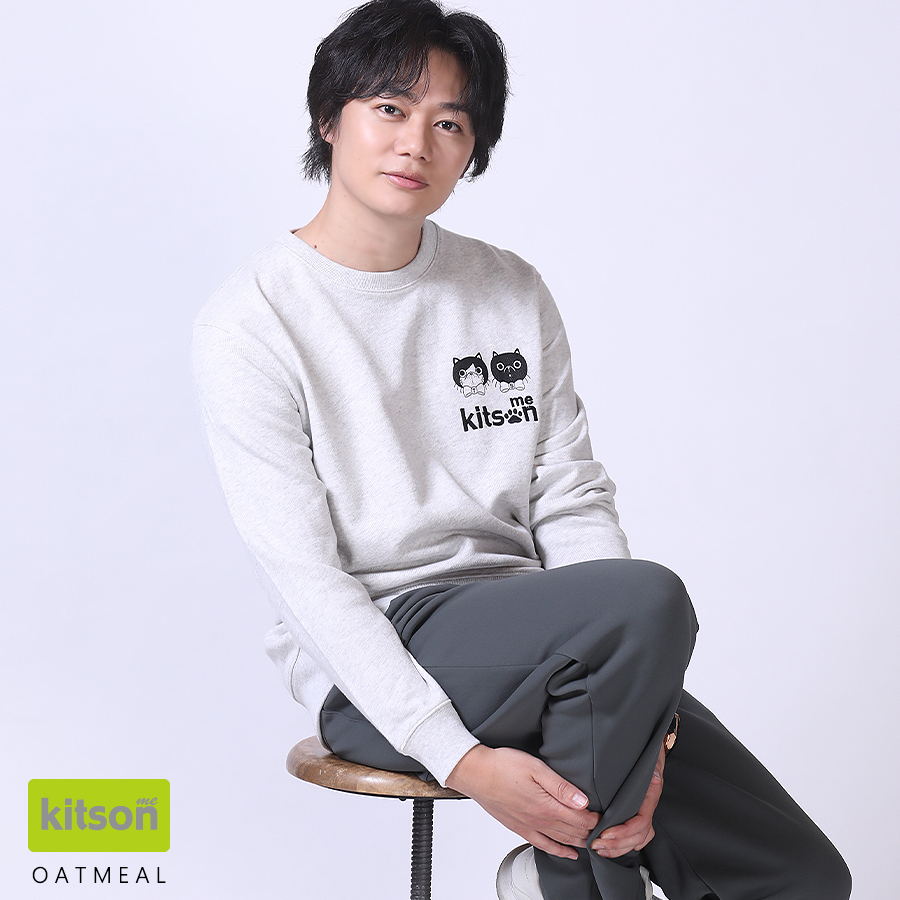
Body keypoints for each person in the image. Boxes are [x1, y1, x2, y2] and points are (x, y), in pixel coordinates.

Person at [192, 1, 851, 897]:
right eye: (389, 108)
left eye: (450, 122)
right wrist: (461, 760)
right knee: (645, 599)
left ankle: (555, 874)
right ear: (328, 118)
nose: (416, 143)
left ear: (473, 149)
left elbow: (569, 496)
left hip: (563, 652)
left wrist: (647, 726)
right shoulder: (251, 323)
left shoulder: (507, 288)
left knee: (800, 876)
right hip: (384, 660)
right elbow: (302, 577)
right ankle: (558, 878)